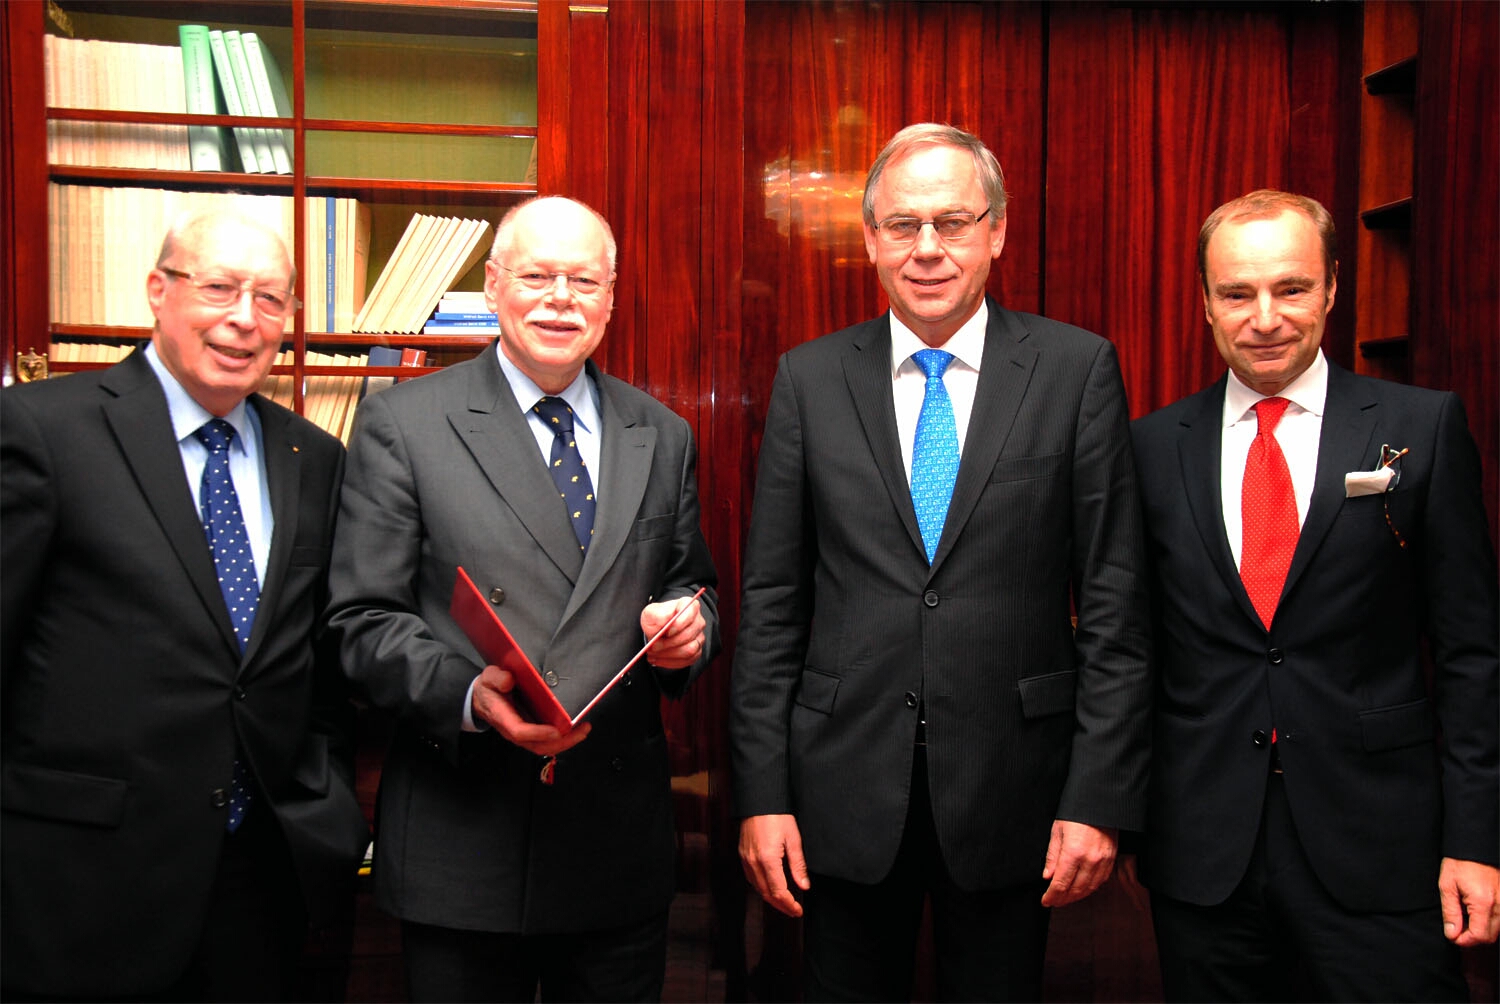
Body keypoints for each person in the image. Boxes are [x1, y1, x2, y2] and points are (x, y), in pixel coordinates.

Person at [730, 122, 1152, 1001]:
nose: (927, 248)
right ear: (871, 239)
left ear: (996, 231)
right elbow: (773, 603)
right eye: (902, 225)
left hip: (1015, 789)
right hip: (839, 791)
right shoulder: (809, 378)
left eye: (953, 223)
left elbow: (1115, 604)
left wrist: (1097, 795)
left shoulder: (1076, 371)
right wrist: (761, 794)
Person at [325, 195, 720, 1003]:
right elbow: (360, 622)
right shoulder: (405, 422)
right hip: (464, 837)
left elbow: (692, 581)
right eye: (537, 275)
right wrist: (468, 694)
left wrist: (692, 628)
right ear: (495, 285)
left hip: (614, 842)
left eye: (584, 280)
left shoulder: (662, 433)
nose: (560, 298)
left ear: (612, 297)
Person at [1128, 189, 1499, 1000]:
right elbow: (1129, 650)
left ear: (1331, 287)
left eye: (1290, 288)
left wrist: (1478, 840)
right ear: (1206, 304)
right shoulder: (1151, 448)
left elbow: (1472, 655)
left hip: (1382, 848)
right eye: (1237, 293)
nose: (1265, 316)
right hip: (1205, 857)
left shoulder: (1422, 427)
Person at [1, 211, 368, 1000]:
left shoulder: (313, 456)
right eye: (219, 289)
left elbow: (323, 665)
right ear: (158, 293)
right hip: (80, 880)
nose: (245, 318)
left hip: (260, 881)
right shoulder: (43, 429)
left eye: (271, 299)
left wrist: (323, 798)